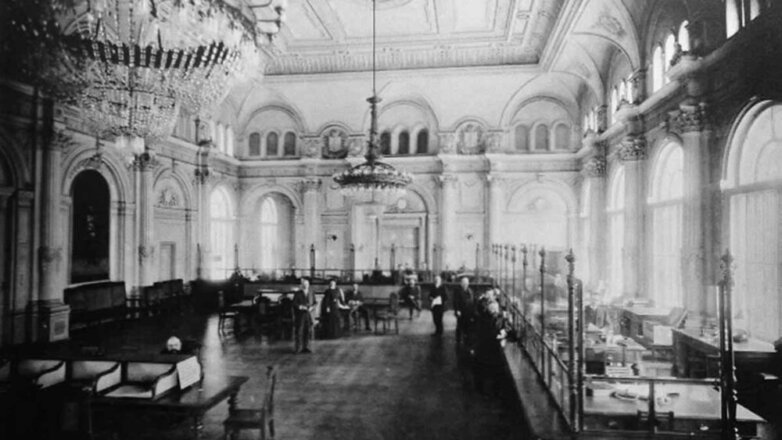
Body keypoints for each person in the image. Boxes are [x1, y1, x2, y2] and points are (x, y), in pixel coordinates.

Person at [293, 278, 316, 353]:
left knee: (308, 331)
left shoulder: (311, 292)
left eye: (307, 284)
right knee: (299, 331)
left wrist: (312, 307)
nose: (306, 285)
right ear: (302, 285)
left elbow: (315, 302)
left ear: (309, 285)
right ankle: (298, 348)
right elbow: (294, 303)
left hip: (309, 315)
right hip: (300, 315)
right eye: (304, 284)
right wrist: (301, 307)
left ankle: (306, 347)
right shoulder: (298, 293)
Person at [453, 276, 476, 347]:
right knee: (459, 326)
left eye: (466, 283)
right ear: (461, 283)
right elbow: (455, 302)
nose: (465, 284)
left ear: (468, 283)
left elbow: (473, 301)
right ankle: (458, 340)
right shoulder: (457, 291)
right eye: (464, 283)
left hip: (468, 311)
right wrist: (457, 310)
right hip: (461, 311)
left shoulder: (470, 291)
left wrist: (473, 311)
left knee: (467, 326)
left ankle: (466, 340)